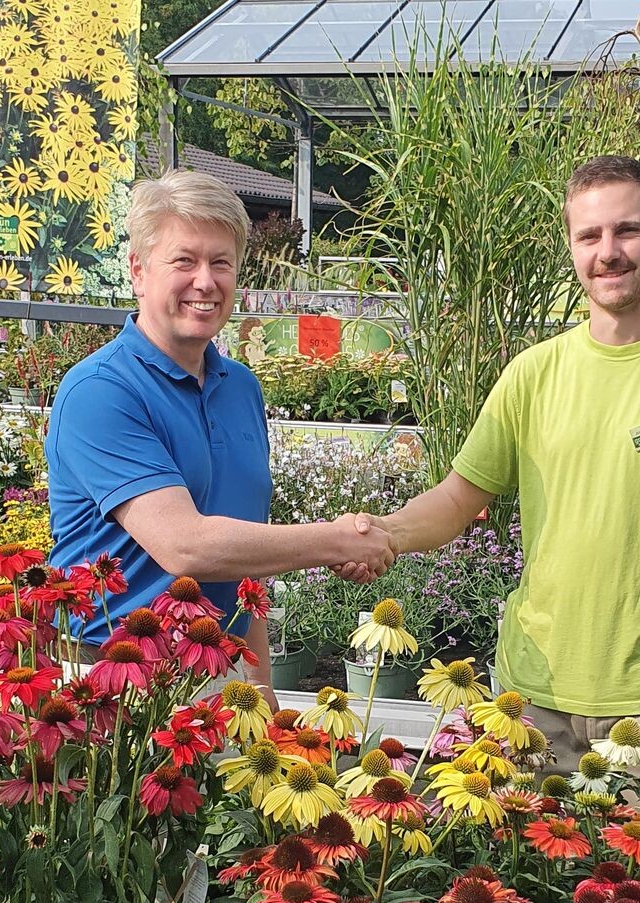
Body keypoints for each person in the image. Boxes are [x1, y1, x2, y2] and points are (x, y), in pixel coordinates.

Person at [340, 156, 640, 787]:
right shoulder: (534, 373)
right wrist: (383, 531)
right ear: (572, 247)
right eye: (590, 236)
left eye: (627, 231)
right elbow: (457, 498)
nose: (609, 252)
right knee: (524, 883)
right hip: (532, 701)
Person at [44, 169, 396, 705]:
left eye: (221, 262)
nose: (205, 281)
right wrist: (336, 541)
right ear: (138, 271)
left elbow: (243, 561)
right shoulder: (100, 391)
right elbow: (186, 546)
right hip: (113, 682)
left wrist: (263, 695)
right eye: (184, 260)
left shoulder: (241, 389)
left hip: (218, 671)